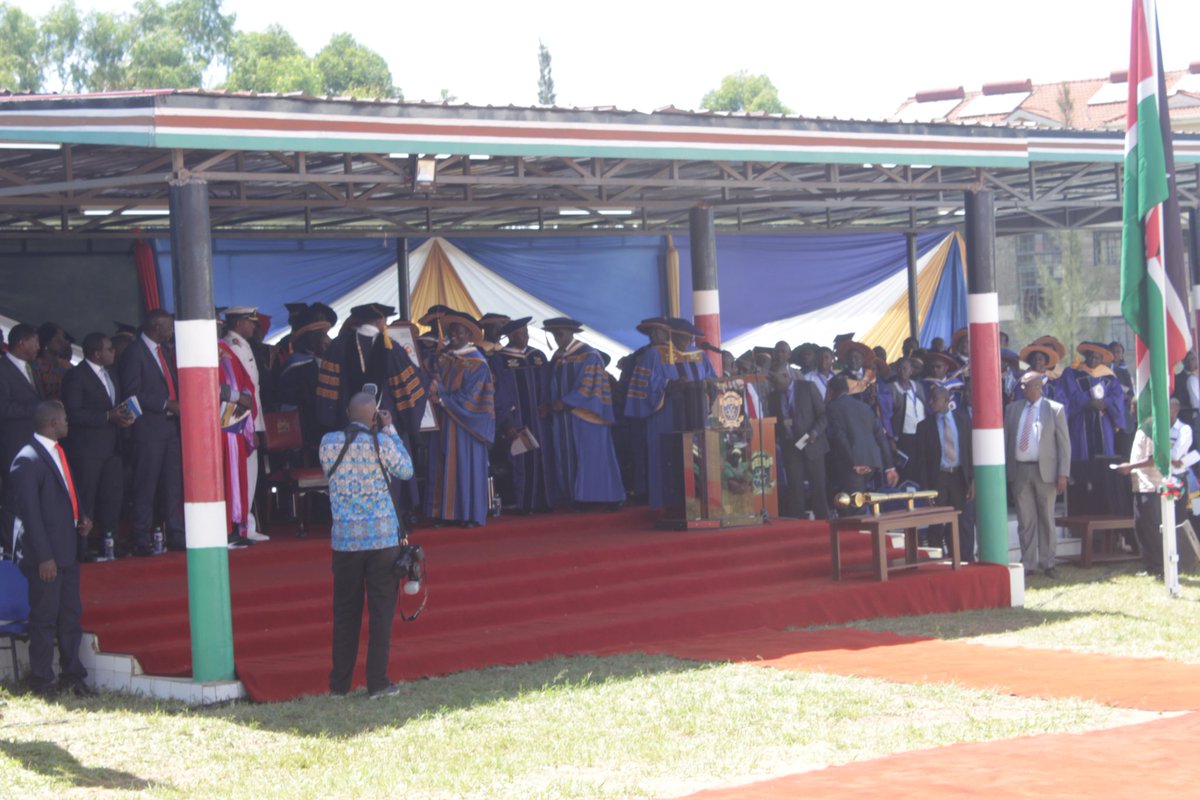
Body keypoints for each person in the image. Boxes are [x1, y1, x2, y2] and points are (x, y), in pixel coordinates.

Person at [320, 392, 413, 699]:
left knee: (345, 613)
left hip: (346, 540)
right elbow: (406, 470)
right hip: (382, 539)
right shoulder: (383, 443)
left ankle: (339, 686)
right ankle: (378, 682)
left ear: (347, 411)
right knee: (381, 612)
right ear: (374, 417)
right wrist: (389, 430)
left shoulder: (328, 443)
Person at [10, 400, 97, 698]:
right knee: (45, 619)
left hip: (68, 548)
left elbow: (67, 492)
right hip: (46, 556)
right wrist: (45, 557)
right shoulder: (28, 459)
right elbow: (30, 515)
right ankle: (42, 680)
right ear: (51, 423)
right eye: (64, 419)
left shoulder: (59, 453)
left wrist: (81, 516)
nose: (68, 423)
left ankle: (72, 675)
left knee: (71, 615)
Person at [61, 333, 133, 560]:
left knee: (112, 497)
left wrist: (123, 417)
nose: (114, 352)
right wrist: (106, 416)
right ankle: (80, 547)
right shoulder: (76, 376)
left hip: (113, 447)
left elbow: (115, 407)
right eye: (110, 348)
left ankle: (108, 543)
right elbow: (72, 413)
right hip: (87, 450)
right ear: (97, 353)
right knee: (86, 498)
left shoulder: (111, 374)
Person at [119, 308, 185, 555]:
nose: (172, 332)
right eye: (169, 327)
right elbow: (131, 392)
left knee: (173, 485)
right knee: (145, 485)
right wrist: (166, 404)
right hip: (147, 431)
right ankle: (141, 537)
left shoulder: (165, 352)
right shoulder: (134, 353)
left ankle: (176, 533)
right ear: (156, 327)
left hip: (170, 429)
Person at [541, 317, 625, 510]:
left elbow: (590, 387)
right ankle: (573, 497)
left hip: (587, 417)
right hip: (563, 418)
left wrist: (566, 402)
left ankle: (600, 498)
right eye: (554, 334)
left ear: (571, 333)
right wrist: (548, 404)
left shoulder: (589, 355)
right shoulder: (558, 357)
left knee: (591, 457)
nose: (557, 338)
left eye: (560, 334)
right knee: (568, 457)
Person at [425, 312, 494, 527]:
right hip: (443, 422)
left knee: (465, 467)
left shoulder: (478, 363)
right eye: (451, 331)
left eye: (459, 331)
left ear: (468, 335)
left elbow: (472, 398)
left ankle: (468, 514)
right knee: (441, 464)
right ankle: (442, 514)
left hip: (465, 426)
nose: (453, 335)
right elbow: (430, 375)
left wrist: (441, 397)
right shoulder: (443, 357)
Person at [1004, 370, 1071, 578]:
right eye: (1021, 385)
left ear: (1038, 387)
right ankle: (1028, 563)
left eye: (1027, 385)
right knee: (1025, 520)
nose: (1022, 389)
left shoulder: (1054, 409)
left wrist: (1063, 474)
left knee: (1046, 518)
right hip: (1020, 470)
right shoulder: (1012, 409)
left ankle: (1048, 562)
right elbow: (1006, 441)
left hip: (1047, 473)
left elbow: (1064, 445)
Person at [489, 317, 551, 513]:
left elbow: (549, 386)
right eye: (520, 333)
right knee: (520, 460)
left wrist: (547, 406)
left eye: (526, 332)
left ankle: (546, 501)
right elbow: (500, 394)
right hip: (517, 420)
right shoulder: (500, 360)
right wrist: (507, 422)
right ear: (510, 336)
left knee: (544, 457)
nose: (525, 336)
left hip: (541, 419)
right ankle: (525, 503)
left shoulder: (538, 356)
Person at [913, 385, 975, 561]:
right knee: (937, 523)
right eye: (930, 398)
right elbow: (921, 461)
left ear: (947, 401)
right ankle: (938, 561)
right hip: (938, 478)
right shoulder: (924, 426)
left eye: (935, 399)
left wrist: (973, 481)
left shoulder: (963, 421)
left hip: (959, 477)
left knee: (964, 522)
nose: (931, 402)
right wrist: (925, 489)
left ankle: (965, 559)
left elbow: (970, 452)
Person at [824, 375, 899, 504]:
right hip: (872, 461)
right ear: (847, 389)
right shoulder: (864, 407)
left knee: (855, 505)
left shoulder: (832, 408)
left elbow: (840, 438)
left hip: (854, 464)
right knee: (858, 500)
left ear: (830, 391)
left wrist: (855, 462)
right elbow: (881, 437)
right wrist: (890, 467)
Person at [773, 359, 829, 519]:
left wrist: (815, 432)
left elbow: (824, 415)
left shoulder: (807, 387)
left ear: (785, 375)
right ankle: (797, 524)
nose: (773, 384)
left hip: (812, 442)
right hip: (790, 446)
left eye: (776, 380)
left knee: (817, 486)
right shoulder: (774, 396)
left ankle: (823, 524)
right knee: (795, 487)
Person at [1064, 341, 1126, 460]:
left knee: (1104, 458)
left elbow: (1117, 398)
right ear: (1085, 356)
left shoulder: (1109, 377)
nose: (1093, 360)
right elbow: (1069, 396)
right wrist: (1088, 401)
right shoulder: (1072, 373)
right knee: (1081, 457)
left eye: (1097, 357)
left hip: (1103, 422)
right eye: (1090, 356)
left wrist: (1105, 402)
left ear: (1102, 359)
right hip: (1080, 423)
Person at [0, 324, 44, 470]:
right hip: (11, 443)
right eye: (36, 342)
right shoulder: (3, 368)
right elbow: (3, 408)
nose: (38, 347)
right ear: (22, 342)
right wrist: (39, 408)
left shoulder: (30, 368)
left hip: (33, 442)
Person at [889, 357, 927, 482]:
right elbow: (888, 414)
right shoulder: (892, 388)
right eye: (900, 368)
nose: (902, 371)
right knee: (907, 470)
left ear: (911, 370)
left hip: (921, 434)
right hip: (904, 436)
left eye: (905, 368)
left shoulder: (918, 386)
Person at [35, 322, 74, 402]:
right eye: (59, 337)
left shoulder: (67, 366)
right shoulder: (34, 366)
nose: (64, 342)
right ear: (47, 340)